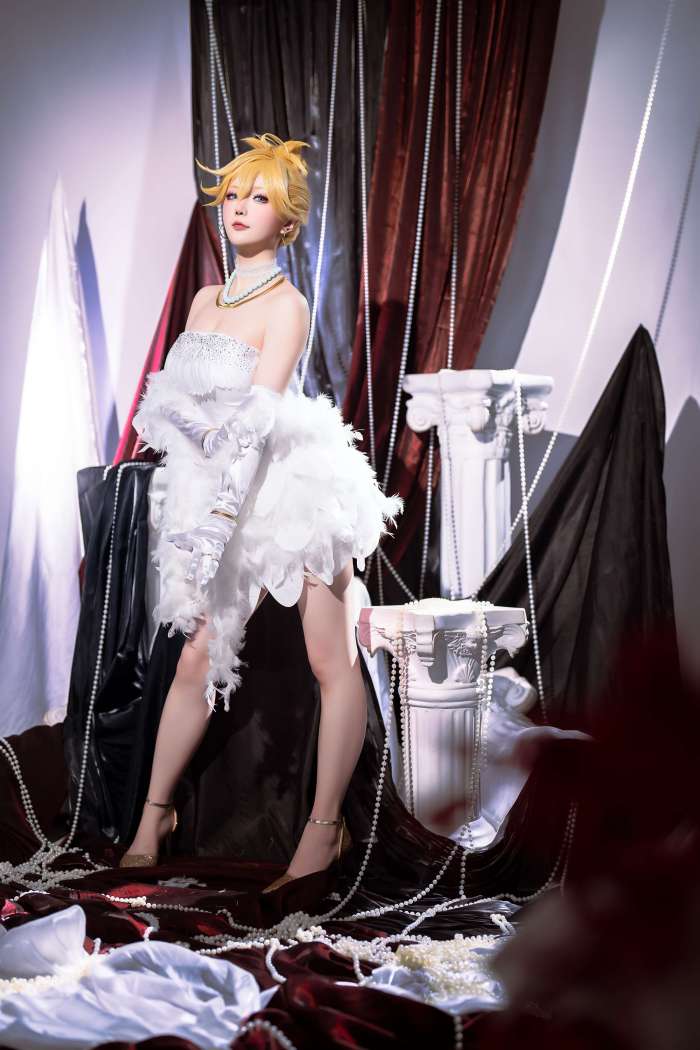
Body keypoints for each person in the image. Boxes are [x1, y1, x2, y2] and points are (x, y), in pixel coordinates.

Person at [119, 133, 403, 892]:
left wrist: (218, 519)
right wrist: (193, 486)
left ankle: (324, 829)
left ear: (288, 220)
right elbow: (171, 402)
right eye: (233, 196)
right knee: (196, 657)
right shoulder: (205, 300)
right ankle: (153, 817)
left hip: (285, 487)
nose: (239, 208)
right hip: (213, 485)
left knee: (329, 658)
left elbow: (256, 419)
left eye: (259, 198)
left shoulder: (288, 305)